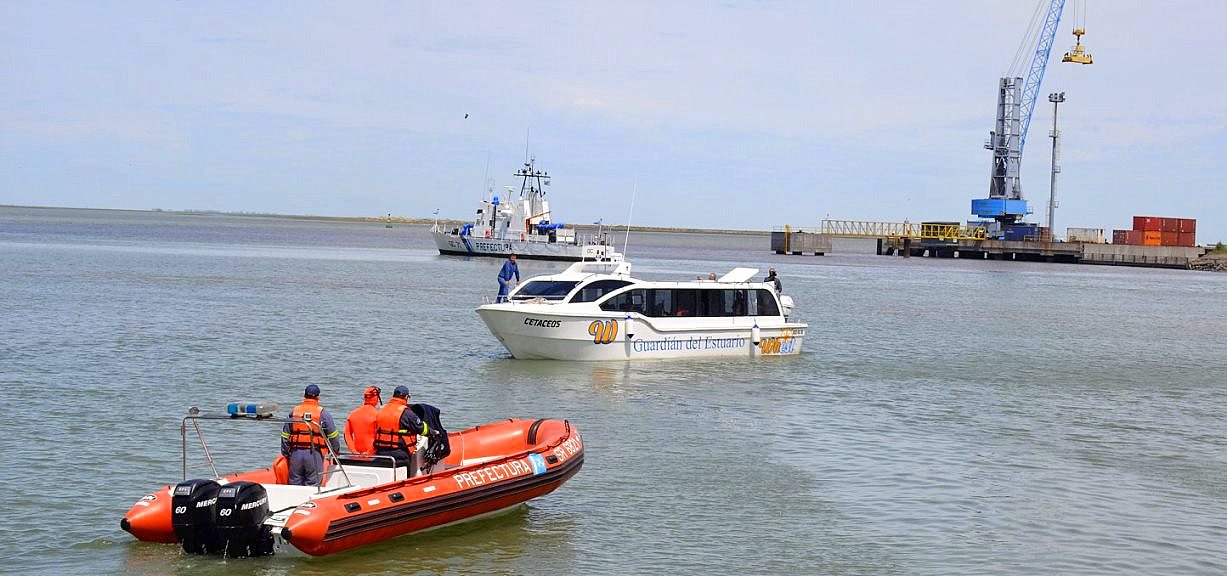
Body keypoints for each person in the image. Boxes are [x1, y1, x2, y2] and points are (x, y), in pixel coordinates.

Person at [280, 384, 342, 486]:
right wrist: (335, 450)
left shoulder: (294, 412)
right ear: (318, 397)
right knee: (313, 484)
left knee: (294, 482)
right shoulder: (323, 413)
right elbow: (333, 435)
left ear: (304, 395)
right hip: (314, 453)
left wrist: (286, 453)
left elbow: (285, 435)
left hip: (296, 453)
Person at [373, 385, 429, 469]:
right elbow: (422, 429)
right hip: (399, 455)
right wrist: (434, 432)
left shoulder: (381, 409)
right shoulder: (406, 413)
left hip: (380, 453)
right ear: (406, 397)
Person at [343, 386, 381, 454]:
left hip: (356, 455)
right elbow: (379, 437)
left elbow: (347, 435)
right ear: (376, 398)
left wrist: (353, 451)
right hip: (373, 456)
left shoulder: (352, 414)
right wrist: (369, 452)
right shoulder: (378, 416)